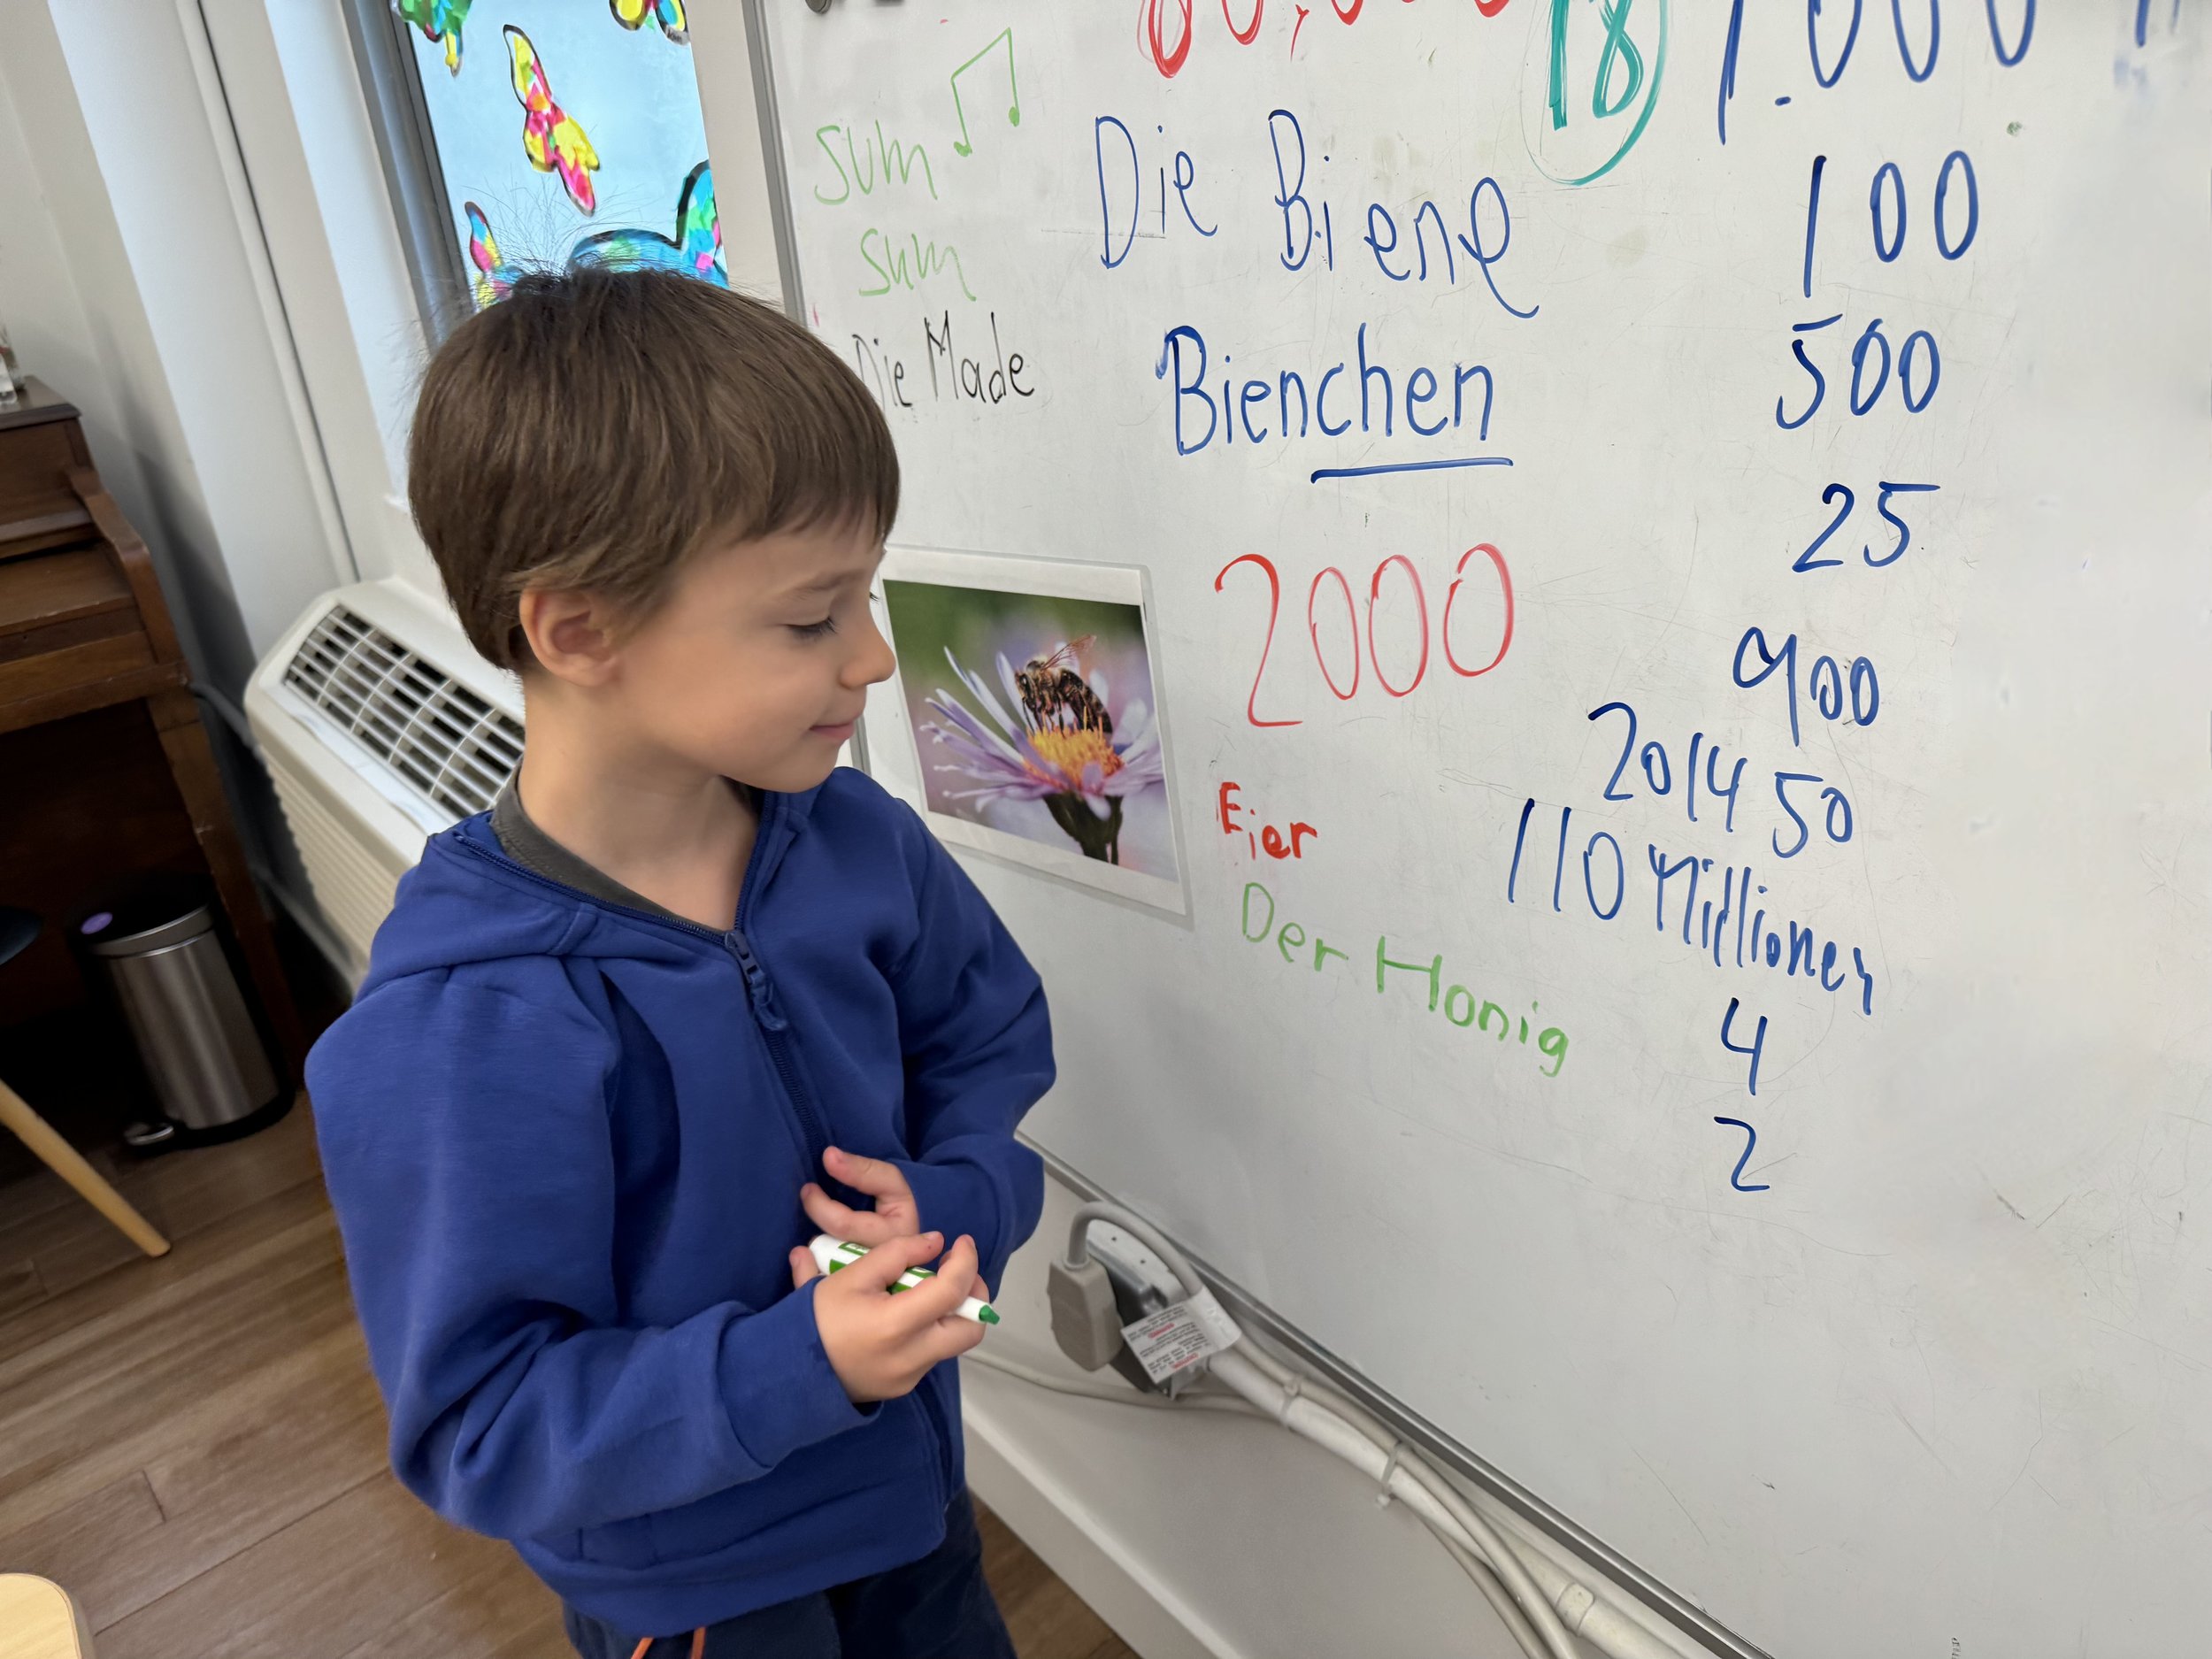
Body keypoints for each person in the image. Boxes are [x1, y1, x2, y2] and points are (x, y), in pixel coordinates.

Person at [306, 268, 1053, 1659]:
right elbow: (480, 1424)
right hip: (707, 1605)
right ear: (579, 630)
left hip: (913, 1513)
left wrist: (958, 1196)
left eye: (865, 600)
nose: (875, 659)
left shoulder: (853, 846)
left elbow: (987, 1040)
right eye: (810, 617)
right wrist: (791, 1367)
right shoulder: (461, 1028)